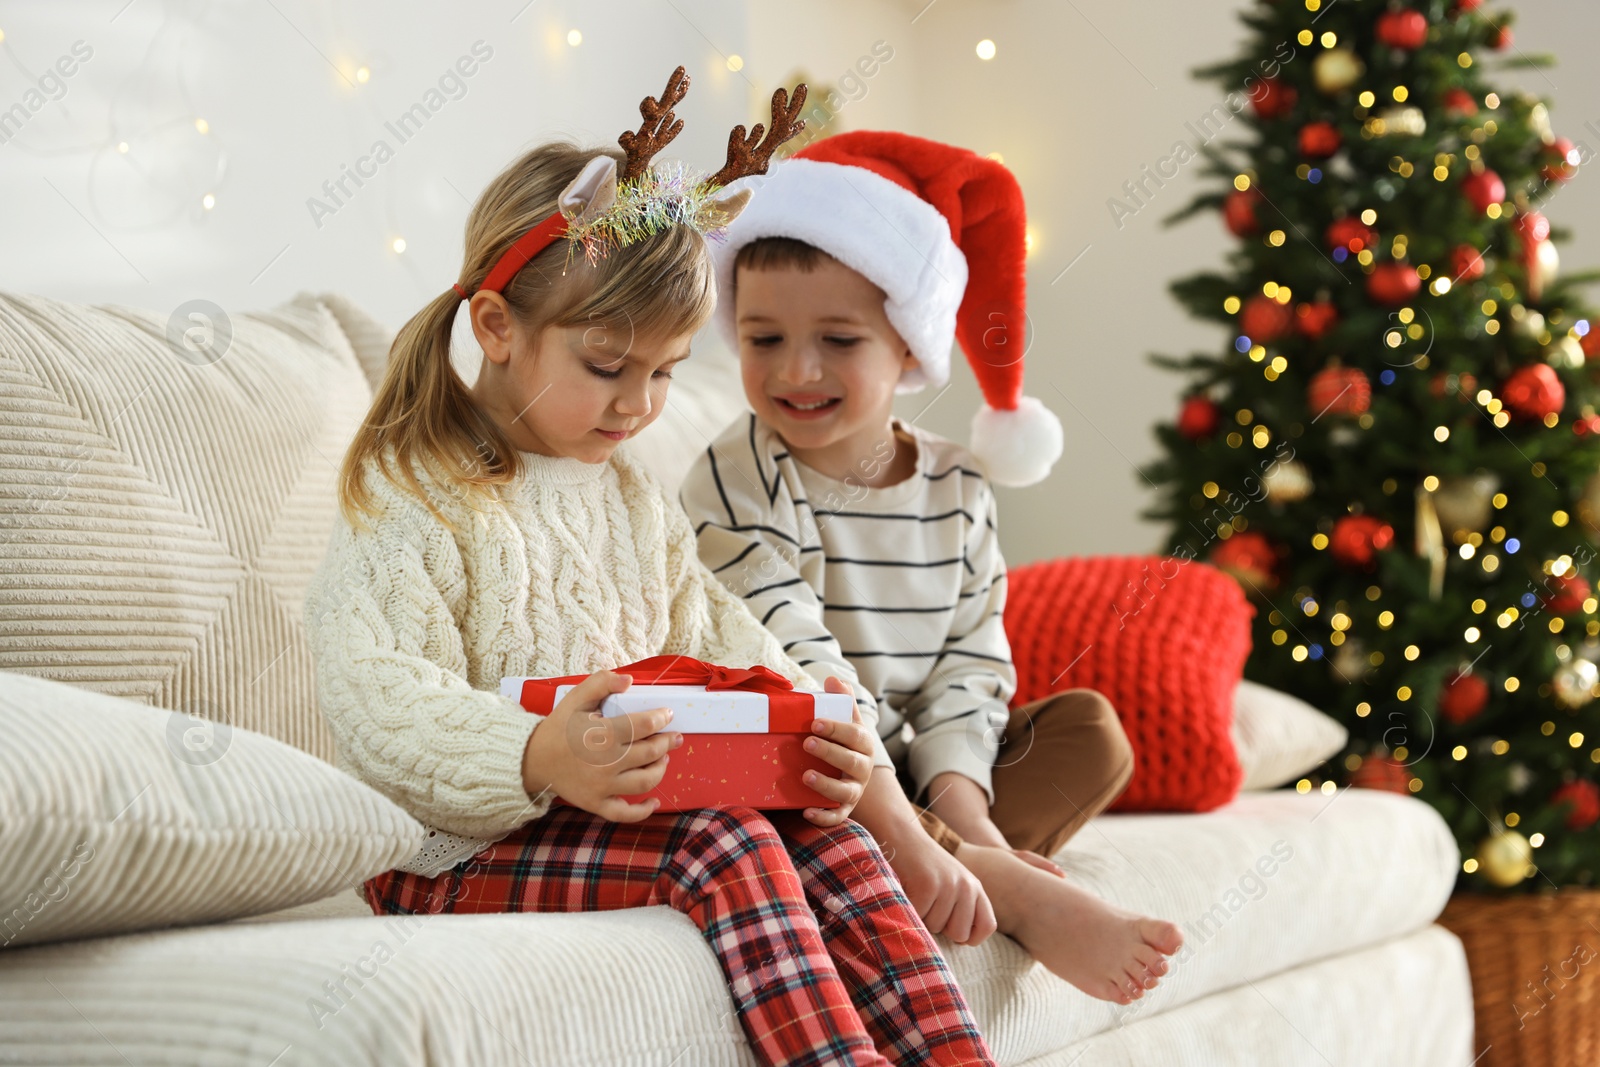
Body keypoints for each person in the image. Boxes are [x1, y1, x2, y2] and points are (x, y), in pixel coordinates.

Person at [303, 72, 997, 1067]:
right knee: (727, 843)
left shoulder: (627, 494)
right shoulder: (415, 487)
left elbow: (723, 635)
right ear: (498, 327)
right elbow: (374, 693)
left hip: (616, 815)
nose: (638, 405)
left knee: (833, 839)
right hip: (449, 856)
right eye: (605, 366)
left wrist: (825, 732)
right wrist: (541, 752)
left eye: (665, 372)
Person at [679, 131, 1183, 1005]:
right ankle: (993, 883)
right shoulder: (734, 472)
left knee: (1089, 731)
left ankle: (954, 854)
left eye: (839, 339)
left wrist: (967, 806)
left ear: (908, 349)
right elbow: (793, 659)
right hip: (815, 749)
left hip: (928, 765)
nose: (797, 371)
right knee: (759, 759)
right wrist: (891, 796)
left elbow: (970, 664)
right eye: (764, 338)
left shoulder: (957, 485)